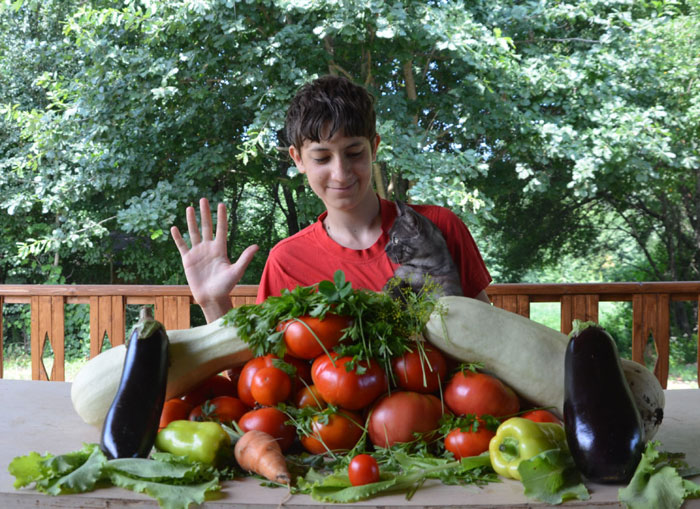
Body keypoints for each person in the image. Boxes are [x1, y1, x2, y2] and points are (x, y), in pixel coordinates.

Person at [171, 75, 491, 323]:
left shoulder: (438, 226)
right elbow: (261, 383)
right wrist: (214, 303)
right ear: (298, 159)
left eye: (354, 153)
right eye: (322, 158)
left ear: (374, 147)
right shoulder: (287, 263)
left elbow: (492, 341)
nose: (341, 173)